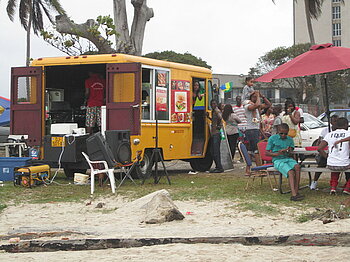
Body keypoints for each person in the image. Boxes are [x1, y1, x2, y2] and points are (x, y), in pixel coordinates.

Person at [266, 123, 304, 201]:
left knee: (297, 167)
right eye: (281, 133)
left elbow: (291, 151)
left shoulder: (290, 139)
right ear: (277, 132)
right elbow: (266, 153)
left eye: (285, 134)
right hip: (277, 159)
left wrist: (289, 150)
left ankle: (296, 191)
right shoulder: (272, 138)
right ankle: (293, 195)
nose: (283, 135)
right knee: (290, 172)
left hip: (287, 158)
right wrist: (277, 153)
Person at [318, 117, 350, 195]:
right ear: (346, 125)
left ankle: (333, 188)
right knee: (342, 162)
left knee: (335, 165)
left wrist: (327, 156)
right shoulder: (348, 133)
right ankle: (347, 188)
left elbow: (319, 148)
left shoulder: (329, 134)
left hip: (331, 164)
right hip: (344, 164)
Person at [310, 115, 338, 190]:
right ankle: (315, 181)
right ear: (330, 122)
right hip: (325, 153)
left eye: (337, 121)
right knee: (321, 164)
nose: (335, 123)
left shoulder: (343, 131)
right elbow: (319, 142)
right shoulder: (325, 130)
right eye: (334, 121)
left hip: (338, 153)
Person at [244, 91, 271, 164]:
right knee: (256, 150)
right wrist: (258, 96)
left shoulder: (257, 107)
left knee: (253, 150)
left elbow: (268, 105)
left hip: (256, 129)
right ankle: (258, 168)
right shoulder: (248, 106)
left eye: (256, 97)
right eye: (254, 97)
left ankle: (254, 168)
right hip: (251, 130)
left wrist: (263, 97)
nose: (256, 98)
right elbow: (257, 104)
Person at [208, 99, 224, 173]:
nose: (213, 105)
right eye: (212, 104)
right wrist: (208, 118)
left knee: (215, 151)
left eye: (214, 104)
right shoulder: (213, 111)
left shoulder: (217, 111)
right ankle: (218, 166)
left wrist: (219, 126)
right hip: (214, 133)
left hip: (216, 134)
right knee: (212, 151)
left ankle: (219, 167)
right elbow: (215, 120)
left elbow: (220, 118)